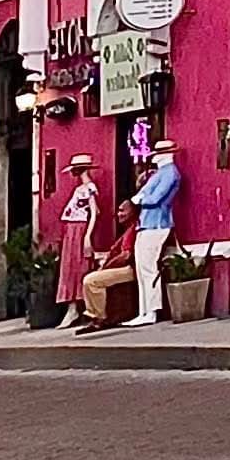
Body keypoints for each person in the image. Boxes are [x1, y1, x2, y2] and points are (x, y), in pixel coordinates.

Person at [124, 139, 181, 327]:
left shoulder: (170, 173)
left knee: (149, 268)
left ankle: (152, 310)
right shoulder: (159, 174)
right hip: (146, 224)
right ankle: (144, 310)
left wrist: (139, 199)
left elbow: (157, 198)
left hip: (158, 223)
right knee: (142, 269)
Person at [76, 200, 138, 333]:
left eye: (123, 210)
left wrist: (106, 267)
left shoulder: (132, 230)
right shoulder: (127, 230)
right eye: (118, 210)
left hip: (130, 269)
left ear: (132, 212)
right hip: (124, 268)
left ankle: (98, 318)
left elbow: (126, 255)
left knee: (91, 281)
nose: (119, 214)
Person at [55, 153, 99, 328]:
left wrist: (87, 236)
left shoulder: (88, 188)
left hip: (79, 229)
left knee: (78, 267)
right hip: (71, 229)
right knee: (70, 267)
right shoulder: (80, 189)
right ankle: (73, 308)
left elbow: (94, 212)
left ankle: (77, 308)